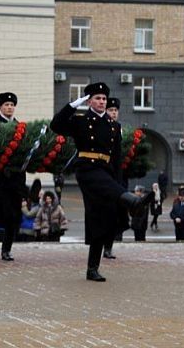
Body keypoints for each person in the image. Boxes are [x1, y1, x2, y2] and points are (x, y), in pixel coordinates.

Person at [50, 82, 148, 282]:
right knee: (105, 196)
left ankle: (92, 269)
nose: (102, 102)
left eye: (104, 99)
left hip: (106, 172)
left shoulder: (114, 126)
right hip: (87, 169)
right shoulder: (80, 120)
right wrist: (73, 104)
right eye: (97, 98)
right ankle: (132, 202)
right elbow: (56, 125)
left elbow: (117, 158)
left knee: (100, 218)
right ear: (90, 101)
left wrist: (119, 183)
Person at [0, 92, 28, 261]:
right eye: (6, 105)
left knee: (14, 217)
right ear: (0, 107)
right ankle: (5, 248)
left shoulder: (21, 127)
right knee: (7, 215)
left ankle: (8, 248)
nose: (9, 107)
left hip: (18, 179)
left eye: (12, 105)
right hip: (3, 179)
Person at [102, 97, 130, 259]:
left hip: (118, 177)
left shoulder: (119, 128)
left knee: (117, 213)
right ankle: (103, 246)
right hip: (105, 174)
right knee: (105, 213)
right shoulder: (102, 127)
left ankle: (109, 246)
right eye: (110, 110)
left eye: (115, 110)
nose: (113, 113)